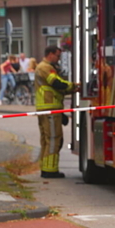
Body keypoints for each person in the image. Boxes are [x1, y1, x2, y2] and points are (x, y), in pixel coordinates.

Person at [35, 45, 77, 179]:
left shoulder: (43, 67)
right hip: (50, 108)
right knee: (54, 139)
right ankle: (50, 170)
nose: (58, 59)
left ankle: (45, 167)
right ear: (50, 54)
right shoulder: (45, 67)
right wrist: (75, 86)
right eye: (57, 56)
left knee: (46, 140)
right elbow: (56, 83)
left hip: (48, 108)